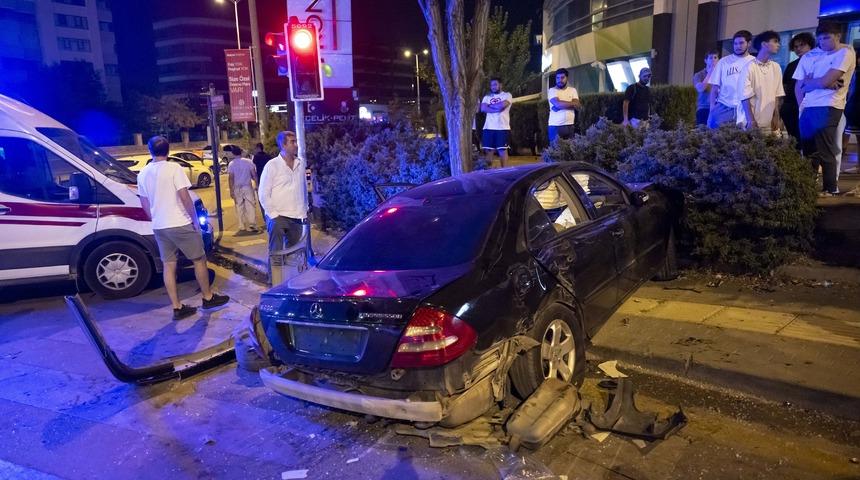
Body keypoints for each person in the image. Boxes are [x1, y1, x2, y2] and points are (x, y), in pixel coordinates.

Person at [137, 136, 229, 320]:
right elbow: (185, 197)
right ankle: (207, 297)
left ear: (150, 151)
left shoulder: (143, 173)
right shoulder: (174, 168)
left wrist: (154, 219)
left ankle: (177, 307)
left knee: (168, 266)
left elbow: (144, 202)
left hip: (160, 226)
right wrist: (195, 221)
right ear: (168, 150)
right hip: (179, 222)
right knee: (199, 260)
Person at [794, 22, 856, 196]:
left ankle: (830, 188)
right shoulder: (810, 55)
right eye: (820, 38)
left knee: (826, 149)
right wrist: (821, 84)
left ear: (838, 36)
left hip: (830, 105)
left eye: (827, 37)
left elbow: (824, 81)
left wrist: (814, 83)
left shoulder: (846, 52)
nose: (823, 42)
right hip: (808, 106)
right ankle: (807, 187)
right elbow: (799, 86)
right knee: (808, 150)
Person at [258, 131, 308, 283]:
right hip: (278, 216)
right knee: (277, 252)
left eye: (296, 141)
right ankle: (275, 282)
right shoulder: (272, 165)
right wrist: (273, 215)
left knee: (294, 252)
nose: (296, 145)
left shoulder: (300, 164)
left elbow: (303, 188)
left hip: (297, 216)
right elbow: (263, 193)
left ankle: (291, 281)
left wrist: (305, 209)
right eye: (292, 142)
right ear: (283, 145)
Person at [738, 30, 785, 134]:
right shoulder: (749, 67)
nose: (778, 45)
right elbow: (744, 97)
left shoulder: (776, 67)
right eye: (775, 41)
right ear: (764, 44)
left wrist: (776, 116)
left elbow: (777, 95)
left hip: (768, 121)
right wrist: (751, 120)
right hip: (749, 121)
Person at [708, 30, 755, 128]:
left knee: (744, 141)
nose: (738, 46)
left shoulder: (754, 62)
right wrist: (712, 109)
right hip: (724, 107)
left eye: (741, 43)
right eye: (735, 43)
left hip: (745, 109)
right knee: (716, 139)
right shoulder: (723, 62)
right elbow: (714, 88)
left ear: (749, 43)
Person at [781, 32, 816, 146]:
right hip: (790, 106)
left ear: (810, 45)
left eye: (802, 45)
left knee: (807, 139)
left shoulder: (816, 63)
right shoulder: (792, 65)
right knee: (793, 139)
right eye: (796, 46)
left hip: (807, 104)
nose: (798, 49)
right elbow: (785, 86)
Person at [226, 145, 260, 234]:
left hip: (237, 187)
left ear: (233, 153)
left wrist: (231, 190)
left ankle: (241, 225)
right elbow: (254, 174)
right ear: (241, 152)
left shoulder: (231, 164)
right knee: (250, 204)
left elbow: (231, 178)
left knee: (239, 206)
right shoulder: (248, 162)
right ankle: (252, 223)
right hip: (247, 186)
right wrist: (256, 184)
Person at [480, 78, 513, 168]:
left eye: (495, 84)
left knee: (502, 151)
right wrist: (497, 109)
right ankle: (489, 172)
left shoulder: (507, 95)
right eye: (492, 85)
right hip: (488, 128)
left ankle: (504, 172)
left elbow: (502, 105)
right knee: (488, 151)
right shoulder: (487, 97)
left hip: (502, 128)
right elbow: (483, 108)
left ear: (500, 85)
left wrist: (489, 106)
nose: (493, 87)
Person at [547, 68, 580, 144]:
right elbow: (557, 104)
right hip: (555, 126)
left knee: (569, 151)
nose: (559, 80)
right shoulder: (552, 90)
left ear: (567, 78)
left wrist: (561, 105)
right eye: (557, 78)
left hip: (570, 125)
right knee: (555, 152)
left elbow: (578, 105)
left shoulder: (573, 90)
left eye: (562, 77)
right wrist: (572, 104)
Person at [693, 50, 720, 126]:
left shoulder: (720, 75)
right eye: (711, 58)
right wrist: (710, 72)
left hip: (717, 108)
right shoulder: (699, 75)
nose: (713, 60)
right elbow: (700, 89)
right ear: (705, 61)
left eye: (715, 57)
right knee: (702, 134)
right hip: (704, 108)